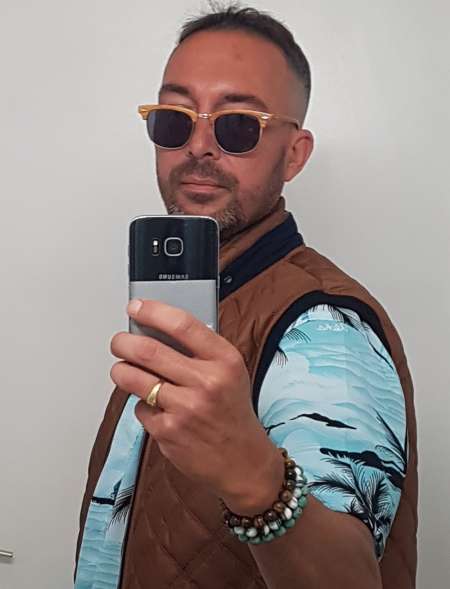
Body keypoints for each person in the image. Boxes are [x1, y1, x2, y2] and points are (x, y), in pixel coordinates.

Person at [74, 4, 417, 589]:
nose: (197, 146)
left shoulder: (324, 325)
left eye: (237, 125)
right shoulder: (195, 304)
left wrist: (256, 479)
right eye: (174, 119)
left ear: (294, 153)